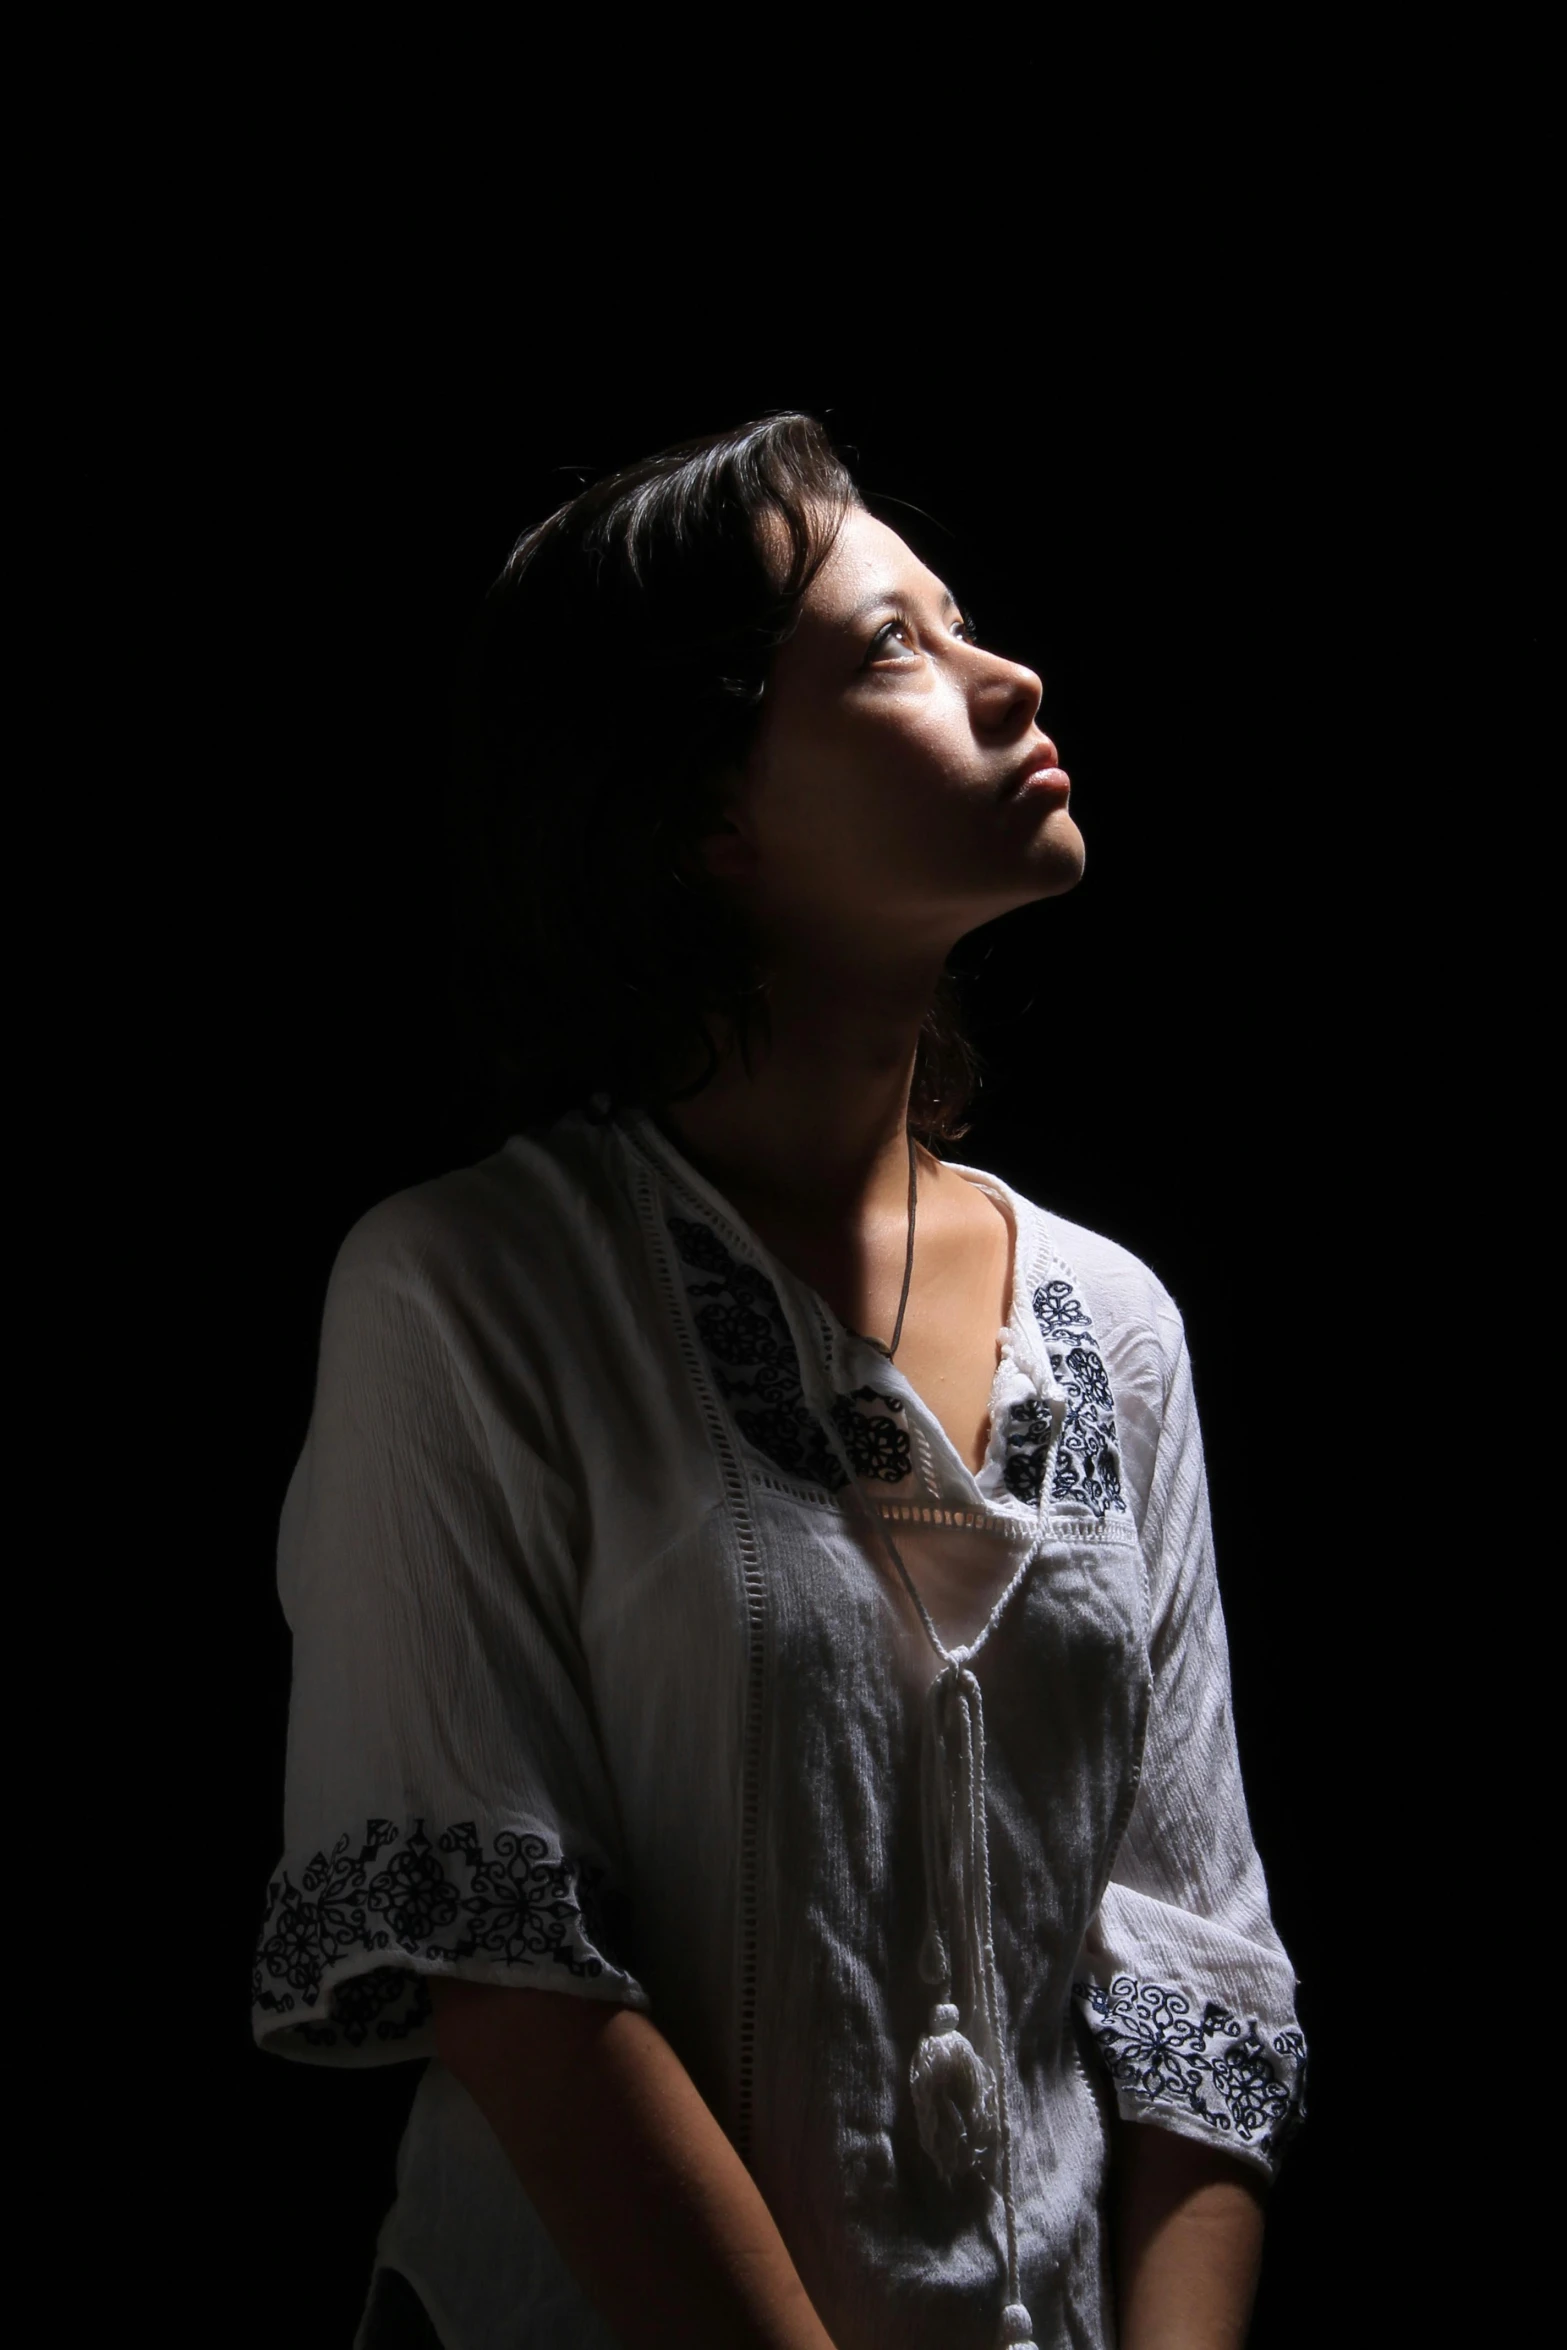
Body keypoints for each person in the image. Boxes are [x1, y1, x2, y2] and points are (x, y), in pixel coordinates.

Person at [252, 412, 1306, 2350]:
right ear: (703, 806)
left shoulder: (1118, 1322)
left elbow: (1199, 1991)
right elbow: (512, 1977)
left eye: (963, 615)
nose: (1013, 675)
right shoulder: (475, 1291)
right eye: (893, 645)